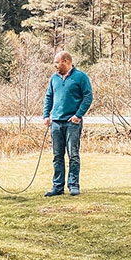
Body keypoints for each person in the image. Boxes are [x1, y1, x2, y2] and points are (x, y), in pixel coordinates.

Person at [42, 50, 93, 197]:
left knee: (73, 155)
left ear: (65, 61)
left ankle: (73, 185)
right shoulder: (54, 78)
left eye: (57, 62)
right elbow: (48, 97)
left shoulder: (80, 77)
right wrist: (46, 115)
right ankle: (57, 187)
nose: (55, 65)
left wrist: (78, 115)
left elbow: (88, 97)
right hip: (56, 123)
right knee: (57, 156)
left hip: (72, 123)